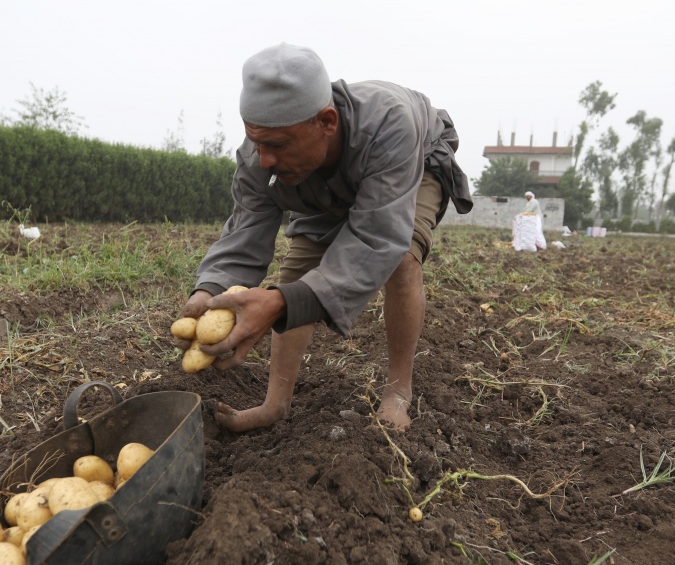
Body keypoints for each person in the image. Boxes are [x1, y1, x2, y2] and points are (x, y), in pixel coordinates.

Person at [179, 43, 472, 433]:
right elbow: (245, 230)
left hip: (412, 160)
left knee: (400, 259)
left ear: (327, 122)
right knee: (297, 274)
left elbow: (377, 238)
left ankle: (398, 390)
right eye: (257, 142)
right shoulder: (262, 155)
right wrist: (209, 291)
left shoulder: (389, 124)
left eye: (277, 145)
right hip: (319, 177)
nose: (264, 159)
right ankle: (275, 404)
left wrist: (282, 304)